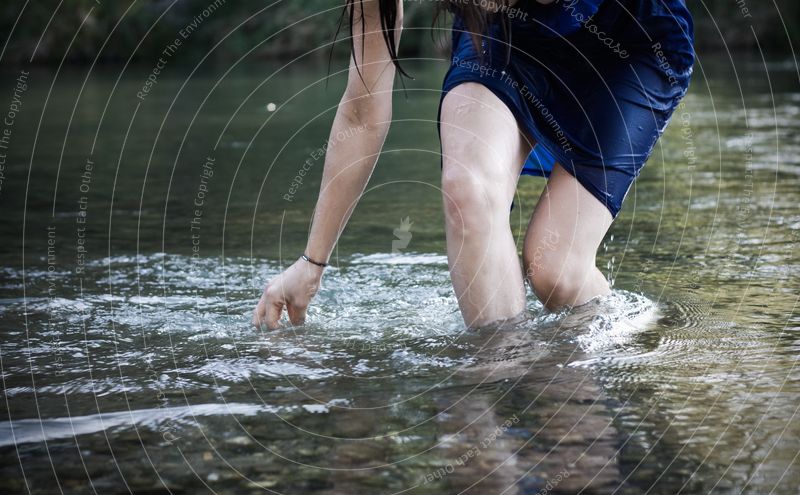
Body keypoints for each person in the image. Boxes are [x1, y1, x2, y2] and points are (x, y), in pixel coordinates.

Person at [252, 0, 694, 330]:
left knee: (555, 271)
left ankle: (613, 375)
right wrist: (312, 262)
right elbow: (361, 113)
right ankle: (494, 411)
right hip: (501, 39)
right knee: (466, 189)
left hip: (630, 47)